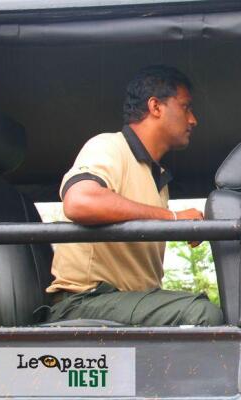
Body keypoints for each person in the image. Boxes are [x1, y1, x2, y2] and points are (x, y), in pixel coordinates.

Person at [45, 65, 223, 326]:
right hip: (84, 302)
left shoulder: (157, 178)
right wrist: (172, 219)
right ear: (156, 107)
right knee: (202, 315)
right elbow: (79, 201)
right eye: (186, 107)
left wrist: (175, 223)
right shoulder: (109, 146)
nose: (193, 119)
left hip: (126, 301)